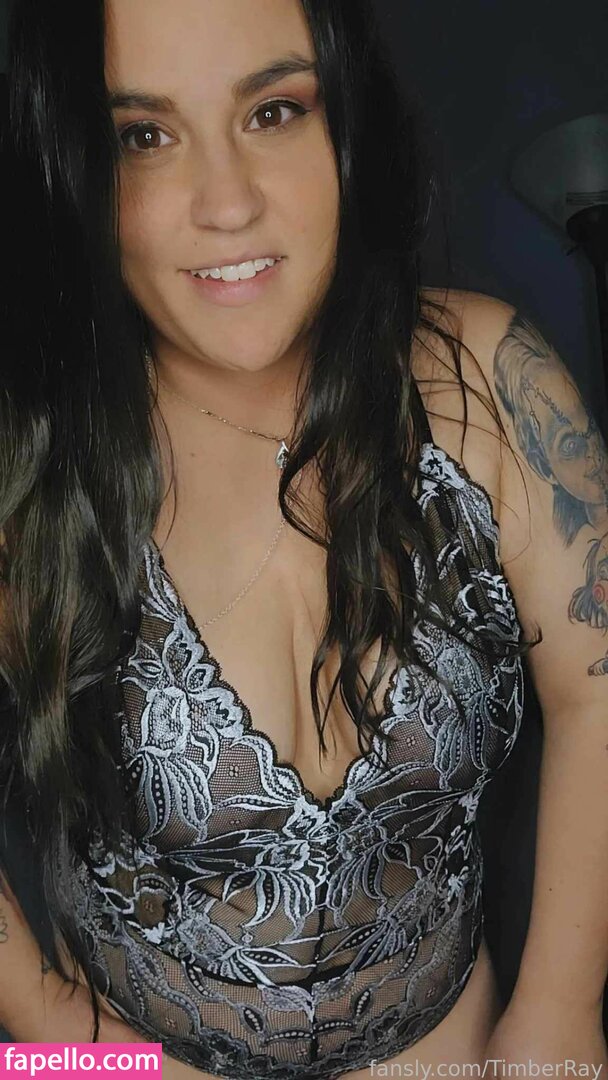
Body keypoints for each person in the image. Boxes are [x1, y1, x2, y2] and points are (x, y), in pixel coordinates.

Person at [0, 0, 606, 1077]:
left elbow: (598, 684)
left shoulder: (486, 378)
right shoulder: (26, 454)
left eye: (273, 111)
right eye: (144, 135)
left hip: (452, 1047)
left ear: (345, 121)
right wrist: (47, 1025)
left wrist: (560, 1013)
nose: (227, 203)